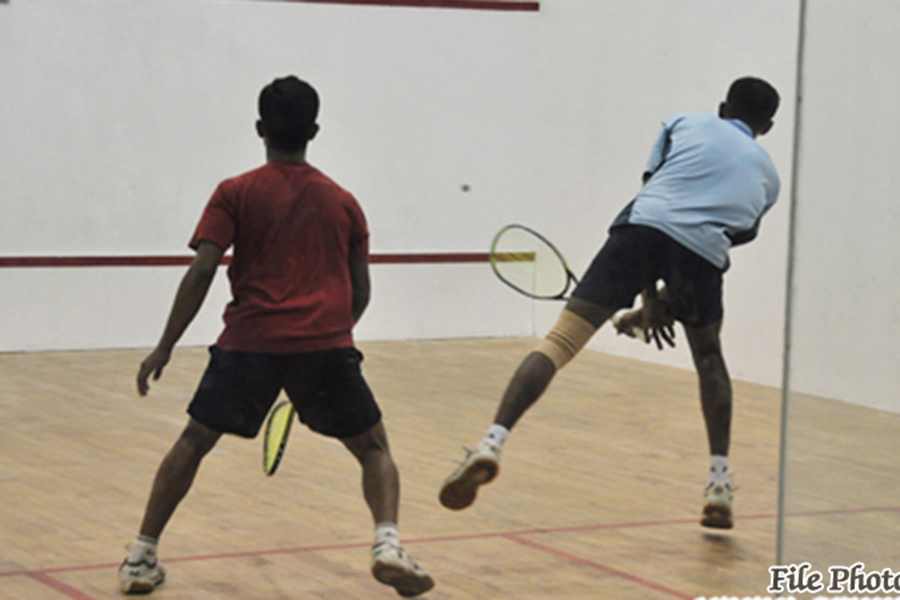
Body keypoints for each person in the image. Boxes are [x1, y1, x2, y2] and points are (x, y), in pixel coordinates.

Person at [118, 76, 434, 597]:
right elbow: (361, 290)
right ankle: (387, 544)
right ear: (314, 130)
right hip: (324, 347)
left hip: (249, 344)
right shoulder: (344, 202)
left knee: (195, 441)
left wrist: (165, 346)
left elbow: (201, 271)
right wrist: (332, 334)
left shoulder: (234, 192)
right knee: (374, 449)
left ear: (260, 128)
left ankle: (140, 556)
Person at [439, 77, 781, 531]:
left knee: (560, 342)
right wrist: (658, 303)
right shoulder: (769, 177)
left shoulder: (684, 123)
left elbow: (656, 202)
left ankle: (491, 443)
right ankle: (718, 483)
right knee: (709, 358)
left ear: (722, 107)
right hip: (700, 256)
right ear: (768, 126)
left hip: (640, 233)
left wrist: (647, 299)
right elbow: (711, 241)